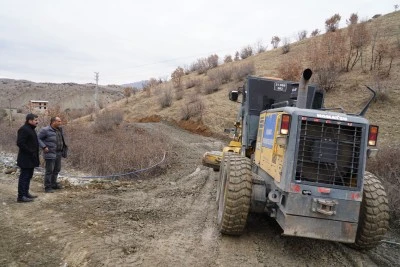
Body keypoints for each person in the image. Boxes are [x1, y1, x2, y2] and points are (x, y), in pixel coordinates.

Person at [38, 116, 67, 193]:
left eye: (60, 121)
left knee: (57, 169)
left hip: (59, 153)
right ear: (53, 122)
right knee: (49, 171)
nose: (60, 123)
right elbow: (38, 138)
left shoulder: (59, 130)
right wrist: (44, 147)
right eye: (59, 121)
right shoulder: (45, 130)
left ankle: (53, 184)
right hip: (50, 153)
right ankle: (47, 187)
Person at [16, 113, 40, 202]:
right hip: (25, 158)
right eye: (35, 120)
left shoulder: (31, 129)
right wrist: (30, 151)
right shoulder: (24, 129)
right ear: (29, 120)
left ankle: (25, 193)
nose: (37, 122)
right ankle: (21, 196)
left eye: (37, 120)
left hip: (31, 158)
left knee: (28, 176)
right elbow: (20, 143)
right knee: (24, 177)